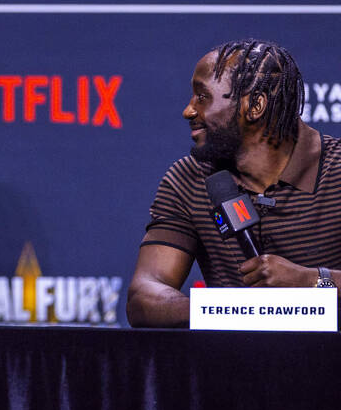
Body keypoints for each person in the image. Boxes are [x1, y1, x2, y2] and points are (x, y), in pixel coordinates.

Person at [126, 39, 341, 328]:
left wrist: (311, 281)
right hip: (233, 369)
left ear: (255, 105)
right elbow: (144, 296)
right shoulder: (188, 179)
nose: (188, 111)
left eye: (202, 97)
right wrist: (234, 309)